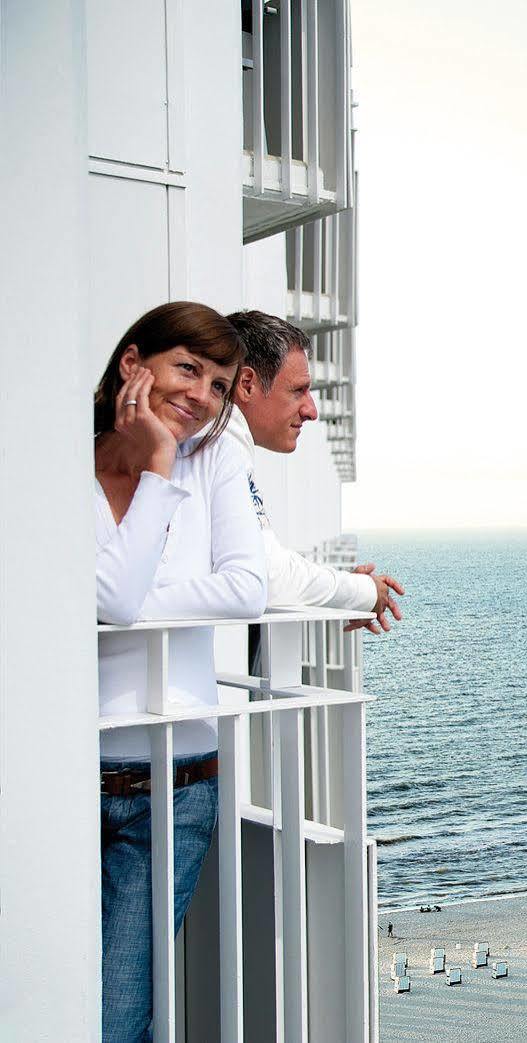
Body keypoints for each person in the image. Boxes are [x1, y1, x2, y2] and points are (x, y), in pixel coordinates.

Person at [94, 302, 267, 1042]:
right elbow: (109, 594)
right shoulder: (59, 456)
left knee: (118, 1015)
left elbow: (246, 588)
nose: (203, 395)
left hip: (178, 788)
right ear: (134, 364)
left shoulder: (220, 458)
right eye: (188, 368)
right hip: (55, 779)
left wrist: (117, 599)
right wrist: (156, 463)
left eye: (221, 384)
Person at [224, 311, 404, 631]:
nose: (311, 410)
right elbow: (267, 575)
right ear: (247, 384)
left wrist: (348, 589)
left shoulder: (218, 443)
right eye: (298, 391)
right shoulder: (220, 447)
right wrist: (363, 591)